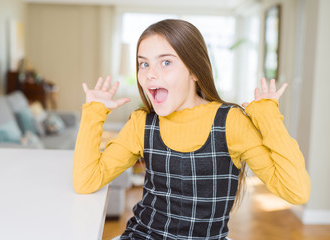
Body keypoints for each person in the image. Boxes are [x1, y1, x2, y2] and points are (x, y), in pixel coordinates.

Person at [73, 19, 310, 239]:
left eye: (166, 62)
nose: (150, 73)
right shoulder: (141, 123)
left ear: (195, 71)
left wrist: (268, 117)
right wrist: (94, 112)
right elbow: (87, 181)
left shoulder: (231, 122)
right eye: (143, 63)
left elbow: (296, 191)